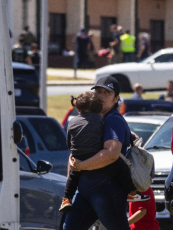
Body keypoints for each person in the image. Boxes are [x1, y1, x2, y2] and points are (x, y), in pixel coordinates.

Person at [63, 76, 140, 230]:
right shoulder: (93, 119)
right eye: (98, 91)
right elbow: (75, 153)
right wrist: (72, 178)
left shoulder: (113, 120)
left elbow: (112, 153)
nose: (101, 96)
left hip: (106, 190)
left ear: (116, 99)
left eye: (107, 93)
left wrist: (81, 166)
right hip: (86, 189)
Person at [59, 91, 149, 212]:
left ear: (79, 108)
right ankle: (131, 192)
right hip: (96, 158)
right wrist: (130, 136)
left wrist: (75, 154)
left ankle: (66, 199)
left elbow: (69, 142)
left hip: (77, 156)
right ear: (98, 108)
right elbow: (107, 138)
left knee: (73, 176)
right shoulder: (100, 119)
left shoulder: (72, 122)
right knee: (122, 167)